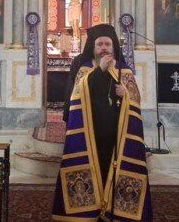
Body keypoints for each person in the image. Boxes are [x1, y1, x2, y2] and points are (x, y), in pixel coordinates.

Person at [52, 24, 152, 221]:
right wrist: (100, 71)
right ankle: (89, 211)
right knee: (91, 169)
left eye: (107, 44)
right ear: (93, 46)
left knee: (112, 170)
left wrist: (125, 95)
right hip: (90, 133)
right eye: (100, 44)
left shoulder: (123, 69)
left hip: (115, 133)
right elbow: (76, 93)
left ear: (113, 46)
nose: (104, 48)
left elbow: (135, 99)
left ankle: (112, 209)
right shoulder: (83, 67)